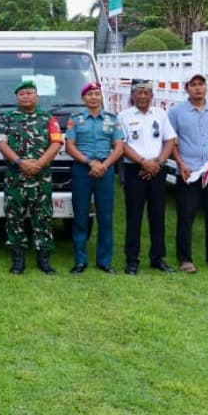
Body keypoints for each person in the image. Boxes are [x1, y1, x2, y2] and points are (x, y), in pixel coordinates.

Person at [0, 80, 63, 275]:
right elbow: (1, 143)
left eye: (29, 93)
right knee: (14, 218)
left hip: (41, 178)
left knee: (43, 217)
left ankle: (44, 260)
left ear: (37, 96)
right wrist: (20, 162)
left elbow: (57, 143)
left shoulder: (48, 118)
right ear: (17, 97)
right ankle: (18, 260)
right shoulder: (8, 118)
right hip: (16, 177)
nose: (25, 96)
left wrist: (39, 164)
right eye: (21, 93)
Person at [168, 74, 208, 274]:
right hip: (189, 171)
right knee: (186, 215)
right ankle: (185, 258)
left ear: (206, 87)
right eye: (193, 85)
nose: (198, 88)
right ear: (187, 88)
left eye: (201, 84)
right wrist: (181, 163)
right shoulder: (176, 112)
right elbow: (171, 141)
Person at [116, 80, 177, 275]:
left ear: (152, 96)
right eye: (139, 92)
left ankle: (157, 258)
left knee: (158, 215)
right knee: (134, 216)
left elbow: (169, 140)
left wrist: (157, 163)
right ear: (132, 96)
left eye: (146, 93)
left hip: (158, 170)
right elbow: (122, 145)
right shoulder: (123, 116)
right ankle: (132, 260)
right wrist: (143, 162)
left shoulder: (160, 114)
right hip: (135, 170)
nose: (142, 96)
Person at [65, 82, 124, 275]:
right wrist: (91, 162)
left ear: (101, 97)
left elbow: (119, 147)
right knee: (81, 217)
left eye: (97, 94)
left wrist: (104, 165)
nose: (93, 97)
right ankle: (80, 261)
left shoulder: (112, 119)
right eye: (89, 94)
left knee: (105, 217)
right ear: (83, 98)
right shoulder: (75, 119)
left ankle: (104, 261)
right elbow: (70, 146)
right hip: (83, 170)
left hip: (105, 171)